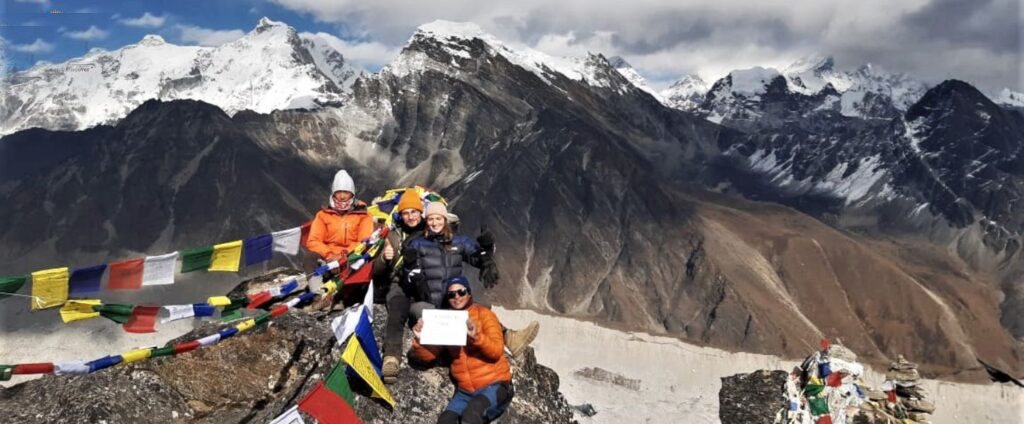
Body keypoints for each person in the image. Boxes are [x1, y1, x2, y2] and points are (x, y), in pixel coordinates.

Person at [401, 201, 539, 359]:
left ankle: (510, 338)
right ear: (427, 221)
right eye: (431, 219)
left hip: (452, 301)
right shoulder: (417, 244)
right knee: (421, 312)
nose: (434, 223)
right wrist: (411, 270)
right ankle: (435, 351)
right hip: (427, 302)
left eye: (438, 218)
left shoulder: (459, 242)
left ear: (445, 220)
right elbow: (408, 277)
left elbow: (476, 256)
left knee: (481, 309)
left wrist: (487, 251)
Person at [412, 276, 514, 424]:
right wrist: (420, 340)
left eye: (461, 292)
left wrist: (476, 337)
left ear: (469, 293)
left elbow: (497, 350)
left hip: (495, 384)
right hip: (465, 392)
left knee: (471, 416)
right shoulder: (446, 319)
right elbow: (429, 355)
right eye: (452, 294)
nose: (457, 297)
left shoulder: (485, 315)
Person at [372, 189, 427, 383]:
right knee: (396, 312)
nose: (410, 217)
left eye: (414, 212)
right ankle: (391, 358)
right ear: (401, 214)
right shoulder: (392, 236)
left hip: (425, 285)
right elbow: (376, 272)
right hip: (399, 285)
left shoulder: (431, 232)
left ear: (421, 212)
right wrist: (384, 259)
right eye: (406, 213)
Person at [305, 169, 375, 263]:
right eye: (338, 192)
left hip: (353, 257)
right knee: (310, 257)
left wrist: (344, 256)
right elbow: (313, 241)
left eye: (346, 192)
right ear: (333, 194)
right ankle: (315, 277)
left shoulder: (363, 215)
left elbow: (364, 241)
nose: (342, 196)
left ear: (352, 194)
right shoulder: (322, 215)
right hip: (327, 258)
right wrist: (329, 255)